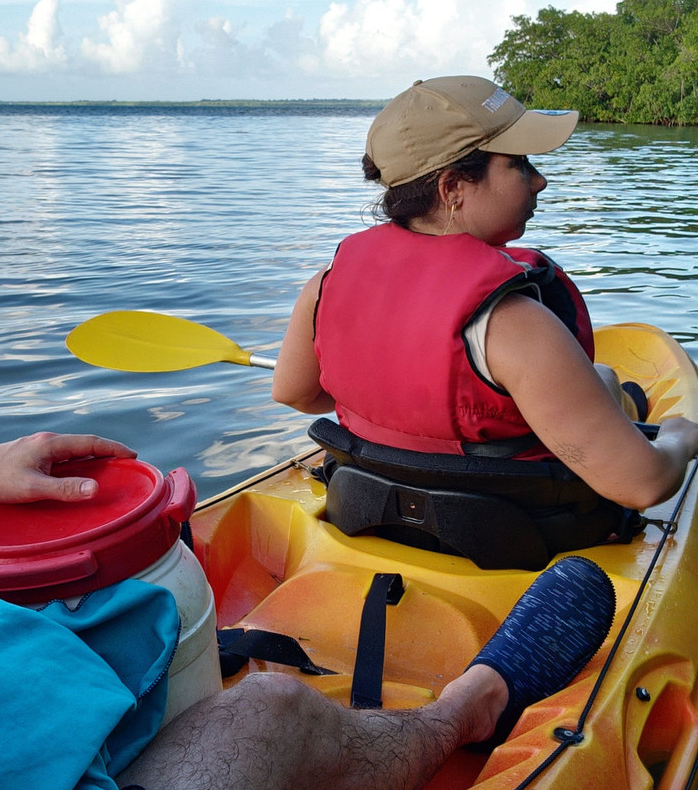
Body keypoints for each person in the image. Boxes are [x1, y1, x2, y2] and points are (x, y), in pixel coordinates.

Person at [0, 0, 615, 789]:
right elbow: (634, 471)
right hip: (511, 518)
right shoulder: (514, 312)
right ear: (455, 184)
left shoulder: (339, 280)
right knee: (270, 713)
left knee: (83, 596)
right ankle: (465, 709)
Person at [272, 75, 698, 512]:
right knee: (605, 379)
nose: (539, 182)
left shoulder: (326, 285)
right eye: (520, 164)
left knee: (604, 378)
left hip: (371, 512)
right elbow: (642, 485)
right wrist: (678, 441)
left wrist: (394, 401)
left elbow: (297, 393)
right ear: (453, 187)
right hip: (522, 537)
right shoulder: (514, 323)